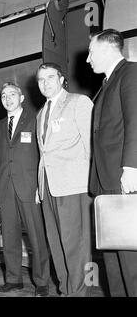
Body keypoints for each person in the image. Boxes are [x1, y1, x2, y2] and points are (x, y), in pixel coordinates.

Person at [87, 29, 137, 297]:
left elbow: (135, 121)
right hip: (106, 182)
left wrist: (131, 168)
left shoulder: (130, 73)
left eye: (91, 52)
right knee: (113, 258)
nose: (87, 59)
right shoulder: (107, 83)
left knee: (130, 260)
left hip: (123, 179)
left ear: (108, 49)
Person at [36, 63, 93, 297]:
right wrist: (39, 187)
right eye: (41, 79)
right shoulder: (41, 113)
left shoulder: (79, 102)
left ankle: (80, 293)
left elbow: (91, 145)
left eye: (50, 77)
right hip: (48, 186)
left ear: (61, 79)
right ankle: (65, 291)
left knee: (77, 246)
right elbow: (44, 154)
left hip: (74, 185)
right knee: (57, 245)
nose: (45, 83)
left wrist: (93, 184)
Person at [0, 82, 50, 296]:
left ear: (22, 97)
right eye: (4, 95)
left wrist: (40, 185)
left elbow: (43, 155)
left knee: (36, 235)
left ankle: (42, 281)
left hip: (29, 188)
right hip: (5, 189)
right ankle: (14, 279)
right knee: (9, 235)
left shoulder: (35, 120)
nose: (7, 98)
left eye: (12, 94)